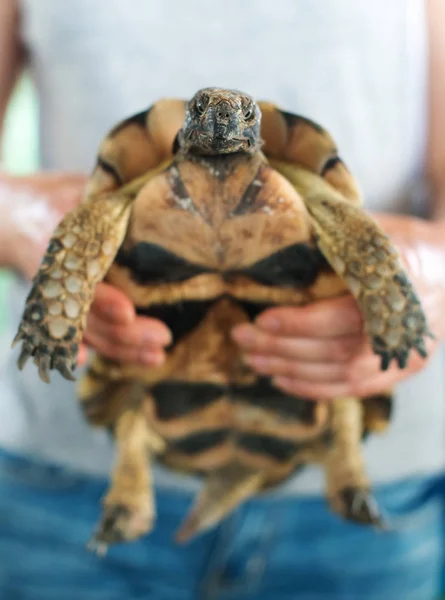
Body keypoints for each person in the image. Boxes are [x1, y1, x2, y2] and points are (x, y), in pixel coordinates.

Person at [0, 0, 444, 598]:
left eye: (233, 117)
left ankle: (346, 464)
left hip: (379, 479)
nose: (220, 122)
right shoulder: (125, 200)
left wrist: (427, 274)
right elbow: (84, 223)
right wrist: (16, 216)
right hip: (65, 478)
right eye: (207, 115)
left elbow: (362, 229)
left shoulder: (314, 197)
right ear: (185, 131)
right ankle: (130, 487)